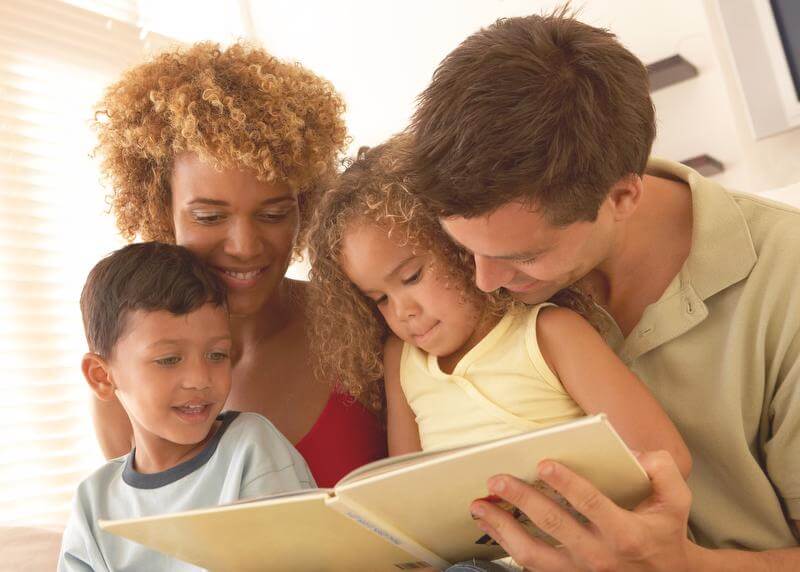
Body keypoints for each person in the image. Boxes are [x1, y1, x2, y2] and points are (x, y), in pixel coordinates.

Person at [407, 9, 800, 571]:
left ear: (621, 198)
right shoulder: (472, 278)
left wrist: (686, 566)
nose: (483, 283)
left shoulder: (788, 281)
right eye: (465, 250)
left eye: (523, 256)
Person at [92, 41, 387, 487]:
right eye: (209, 217)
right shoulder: (125, 379)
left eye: (273, 214)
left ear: (304, 205)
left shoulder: (364, 319)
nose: (246, 246)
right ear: (159, 209)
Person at [305, 135, 691, 471]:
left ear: (460, 246)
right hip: (469, 554)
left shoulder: (550, 334)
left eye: (412, 278)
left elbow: (664, 457)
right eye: (380, 299)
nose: (403, 311)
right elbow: (410, 490)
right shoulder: (402, 360)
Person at [58, 242, 314, 571]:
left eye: (217, 354)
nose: (199, 379)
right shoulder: (93, 502)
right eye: (169, 359)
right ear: (101, 377)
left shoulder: (250, 449)